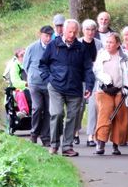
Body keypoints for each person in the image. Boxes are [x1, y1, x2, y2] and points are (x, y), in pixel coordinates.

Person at [39, 19, 95, 157]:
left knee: (72, 118)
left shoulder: (81, 48)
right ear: (64, 30)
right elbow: (42, 64)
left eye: (75, 32)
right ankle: (54, 144)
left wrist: (89, 85)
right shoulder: (53, 45)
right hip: (56, 86)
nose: (72, 34)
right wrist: (49, 79)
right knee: (57, 114)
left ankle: (67, 147)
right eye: (70, 31)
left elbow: (88, 68)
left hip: (75, 88)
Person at [93, 33, 128, 155]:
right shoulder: (101, 54)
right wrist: (107, 82)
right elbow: (97, 71)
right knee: (105, 114)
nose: (108, 44)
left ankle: (116, 144)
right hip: (105, 90)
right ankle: (101, 143)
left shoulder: (125, 56)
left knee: (120, 117)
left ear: (118, 44)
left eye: (111, 42)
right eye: (107, 42)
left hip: (121, 91)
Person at [23, 25, 54, 146]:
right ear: (40, 35)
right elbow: (25, 65)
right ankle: (34, 133)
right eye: (46, 36)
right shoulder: (31, 47)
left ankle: (45, 137)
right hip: (35, 83)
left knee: (49, 110)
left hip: (49, 84)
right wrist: (32, 75)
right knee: (37, 107)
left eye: (50, 36)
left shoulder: (53, 47)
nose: (48, 38)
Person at [76, 19, 102, 147]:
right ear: (83, 30)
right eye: (87, 29)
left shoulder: (99, 44)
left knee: (93, 107)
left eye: (92, 30)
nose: (90, 32)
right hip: (79, 79)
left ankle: (91, 136)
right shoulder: (78, 43)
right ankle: (75, 131)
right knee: (79, 106)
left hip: (94, 79)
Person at [4, 48, 30, 117]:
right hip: (20, 88)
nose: (24, 57)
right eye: (22, 55)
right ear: (18, 57)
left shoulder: (31, 63)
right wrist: (26, 84)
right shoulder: (15, 66)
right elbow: (15, 81)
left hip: (34, 87)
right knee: (20, 94)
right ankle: (24, 111)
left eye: (25, 54)